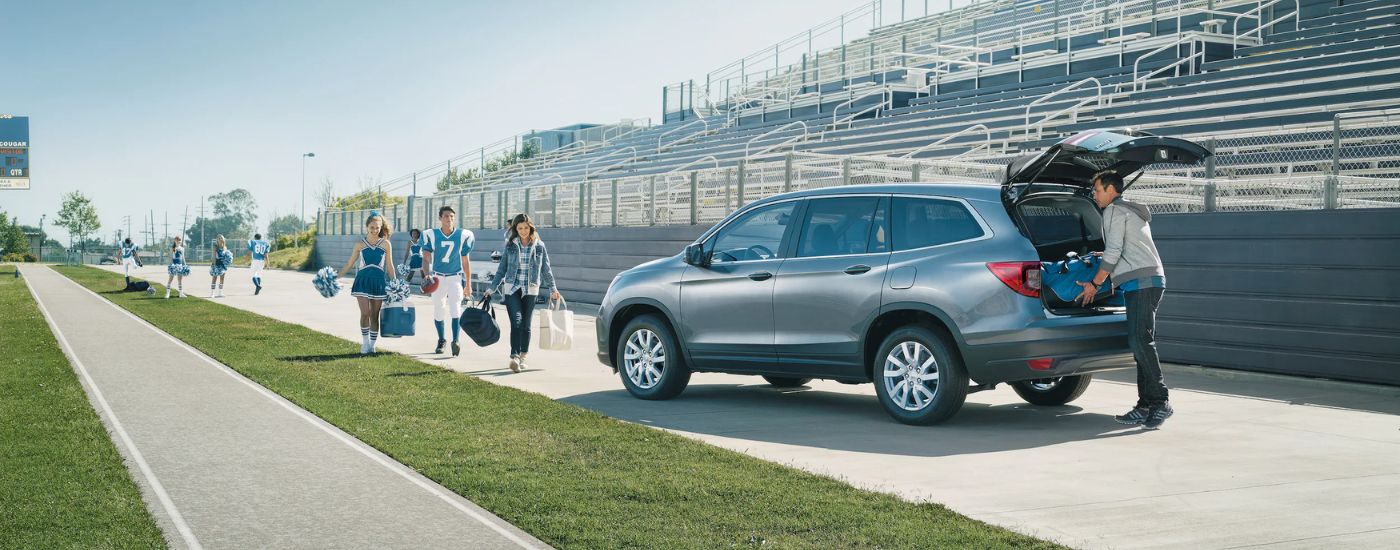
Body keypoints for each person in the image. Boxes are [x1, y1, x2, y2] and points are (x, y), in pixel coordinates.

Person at [1075, 170, 1171, 430]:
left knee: (1141, 342)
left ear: (1110, 189)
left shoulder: (1114, 211)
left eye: (1097, 190)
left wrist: (1095, 284)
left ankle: (1160, 402)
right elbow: (1124, 247)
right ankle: (1145, 406)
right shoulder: (1131, 210)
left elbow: (1115, 252)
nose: (1094, 195)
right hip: (1150, 280)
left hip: (1140, 282)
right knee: (1141, 343)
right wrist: (1106, 253)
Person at [484, 213, 560, 373]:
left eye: (526, 228)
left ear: (530, 228)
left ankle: (523, 356)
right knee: (516, 322)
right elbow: (502, 269)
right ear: (515, 229)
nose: (523, 231)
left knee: (526, 325)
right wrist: (492, 288)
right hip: (512, 288)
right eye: (520, 228)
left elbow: (546, 269)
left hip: (530, 289)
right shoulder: (510, 245)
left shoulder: (539, 246)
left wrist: (553, 289)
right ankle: (514, 357)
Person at [338, 211, 397, 355]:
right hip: (362, 281)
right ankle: (365, 344)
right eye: (372, 227)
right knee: (365, 313)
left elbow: (390, 266)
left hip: (378, 282)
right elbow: (349, 263)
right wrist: (337, 277)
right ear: (367, 227)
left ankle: (372, 345)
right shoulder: (360, 244)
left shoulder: (386, 244)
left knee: (374, 315)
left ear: (380, 228)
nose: (374, 230)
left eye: (377, 228)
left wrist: (396, 285)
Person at [421, 207, 474, 356]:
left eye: (451, 216)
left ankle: (456, 341)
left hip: (455, 277)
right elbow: (426, 257)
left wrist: (468, 284)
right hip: (438, 277)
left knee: (456, 308)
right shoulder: (432, 234)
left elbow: (465, 261)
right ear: (440, 218)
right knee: (439, 309)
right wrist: (426, 275)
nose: (449, 219)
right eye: (446, 216)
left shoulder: (463, 235)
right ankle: (441, 340)